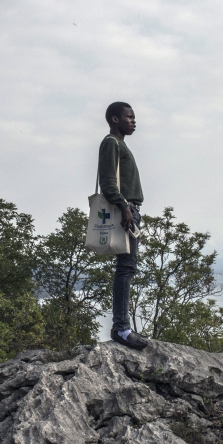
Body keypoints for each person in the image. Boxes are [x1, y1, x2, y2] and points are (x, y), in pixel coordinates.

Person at [99, 101, 148, 350]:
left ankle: (123, 327)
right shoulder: (111, 143)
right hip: (124, 211)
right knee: (126, 269)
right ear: (115, 119)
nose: (134, 121)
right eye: (129, 117)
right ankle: (121, 329)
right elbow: (108, 183)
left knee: (127, 268)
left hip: (129, 211)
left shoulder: (121, 145)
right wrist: (124, 207)